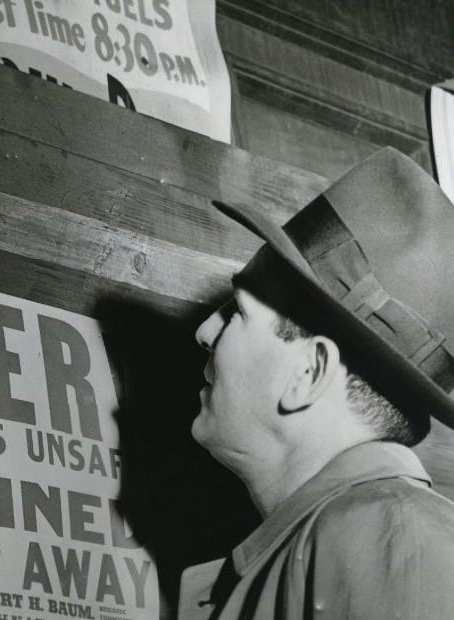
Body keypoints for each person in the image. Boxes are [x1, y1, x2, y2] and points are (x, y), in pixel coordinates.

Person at [179, 148, 454, 619]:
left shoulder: (388, 532)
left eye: (237, 313)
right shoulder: (361, 532)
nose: (204, 332)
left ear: (307, 374)